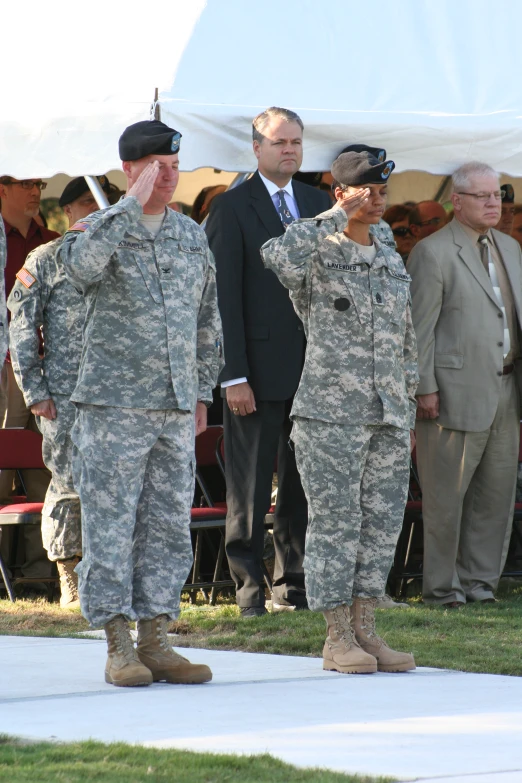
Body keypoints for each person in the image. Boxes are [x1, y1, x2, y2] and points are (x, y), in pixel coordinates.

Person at [59, 120, 223, 686]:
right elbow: (79, 271)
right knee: (112, 524)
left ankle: (156, 638)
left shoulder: (189, 234)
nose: (169, 175)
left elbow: (207, 320)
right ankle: (116, 645)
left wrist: (201, 393)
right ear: (130, 170)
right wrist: (126, 206)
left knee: (166, 525)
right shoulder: (96, 229)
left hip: (174, 406)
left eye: (175, 166)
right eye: (156, 166)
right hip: (113, 406)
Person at [261, 150, 418, 674]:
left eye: (381, 194)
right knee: (336, 523)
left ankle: (367, 630)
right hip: (331, 413)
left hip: (388, 412)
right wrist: (335, 216)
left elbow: (406, 338)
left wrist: (408, 402)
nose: (376, 202)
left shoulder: (390, 251)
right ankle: (336, 637)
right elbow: (276, 257)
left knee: (380, 524)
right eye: (365, 193)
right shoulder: (316, 250)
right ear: (340, 193)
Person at [206, 106, 331, 617]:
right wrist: (232, 374)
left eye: (297, 142)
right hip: (254, 373)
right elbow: (222, 299)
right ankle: (249, 590)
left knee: (302, 486)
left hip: (315, 373)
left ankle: (292, 585)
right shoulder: (232, 208)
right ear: (256, 148)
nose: (290, 150)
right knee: (251, 488)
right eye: (280, 142)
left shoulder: (320, 203)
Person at [409, 162, 522, 607]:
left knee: (495, 495)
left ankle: (480, 584)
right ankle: (442, 588)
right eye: (484, 196)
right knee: (447, 497)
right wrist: (425, 387)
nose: (495, 203)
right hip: (452, 391)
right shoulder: (432, 251)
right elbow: (420, 328)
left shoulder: (510, 249)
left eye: (498, 195)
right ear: (457, 201)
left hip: (507, 387)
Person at [7, 177, 112, 608]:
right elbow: (21, 326)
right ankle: (68, 574)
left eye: (106, 201)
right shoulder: (46, 258)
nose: (99, 208)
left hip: (118, 394)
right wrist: (34, 391)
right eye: (89, 201)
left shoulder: (122, 256)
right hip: (64, 396)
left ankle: (107, 574)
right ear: (67, 211)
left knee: (114, 487)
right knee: (68, 484)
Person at [0, 176, 60, 590]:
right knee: (1, 472)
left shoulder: (52, 241)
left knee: (45, 470)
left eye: (38, 183)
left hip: (46, 368)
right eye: (25, 183)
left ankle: (41, 572)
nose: (35, 191)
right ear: (1, 189)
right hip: (5, 365)